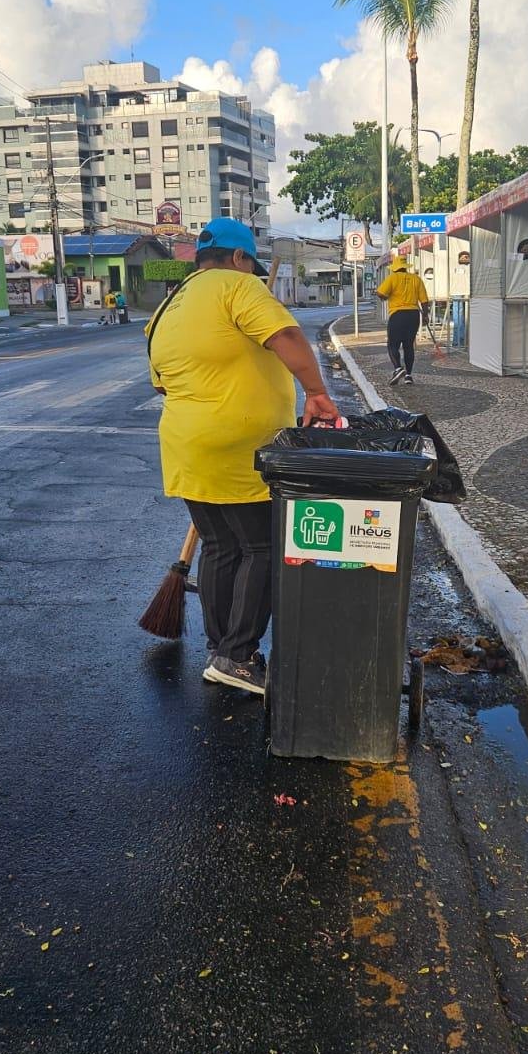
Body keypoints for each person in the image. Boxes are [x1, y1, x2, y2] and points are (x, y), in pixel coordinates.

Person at [145, 217, 340, 695]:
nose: (251, 271)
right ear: (237, 259)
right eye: (249, 263)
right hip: (240, 448)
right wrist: (316, 392)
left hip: (185, 445)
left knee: (220, 547)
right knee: (260, 547)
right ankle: (237, 656)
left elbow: (161, 381)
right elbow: (288, 338)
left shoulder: (170, 304)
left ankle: (221, 649)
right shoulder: (238, 287)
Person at [376, 255, 430, 386]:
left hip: (398, 315)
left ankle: (398, 369)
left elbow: (381, 293)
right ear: (405, 267)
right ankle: (408, 376)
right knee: (408, 345)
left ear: (394, 268)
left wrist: (385, 296)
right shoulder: (416, 279)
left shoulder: (392, 278)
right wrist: (426, 316)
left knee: (392, 344)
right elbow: (424, 300)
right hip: (413, 315)